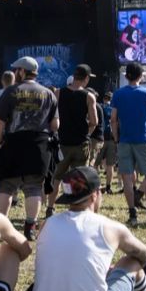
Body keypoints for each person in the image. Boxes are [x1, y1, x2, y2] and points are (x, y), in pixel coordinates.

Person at [27, 166, 146, 291]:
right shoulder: (109, 226)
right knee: (131, 263)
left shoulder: (47, 224)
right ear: (96, 194)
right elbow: (144, 255)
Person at [0, 56, 59, 240]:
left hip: (13, 142)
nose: (14, 73)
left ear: (22, 71)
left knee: (6, 183)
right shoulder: (48, 94)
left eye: (16, 70)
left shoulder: (11, 91)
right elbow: (55, 125)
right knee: (34, 186)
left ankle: (1, 226)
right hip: (39, 144)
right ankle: (30, 226)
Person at [110, 62, 146, 226]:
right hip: (144, 139)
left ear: (126, 76)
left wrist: (117, 139)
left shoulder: (118, 94)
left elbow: (113, 119)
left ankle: (132, 214)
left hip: (125, 140)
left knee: (127, 178)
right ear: (141, 76)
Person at [46, 65, 98, 217]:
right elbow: (94, 121)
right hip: (80, 144)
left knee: (56, 177)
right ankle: (78, 207)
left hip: (62, 143)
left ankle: (50, 208)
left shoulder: (58, 92)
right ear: (86, 78)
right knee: (80, 177)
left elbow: (51, 117)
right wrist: (86, 133)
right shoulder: (89, 96)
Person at [96, 91, 118, 193]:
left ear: (104, 99)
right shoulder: (115, 109)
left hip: (100, 138)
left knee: (95, 164)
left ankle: (97, 185)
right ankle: (108, 187)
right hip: (112, 139)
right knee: (110, 165)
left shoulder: (99, 107)